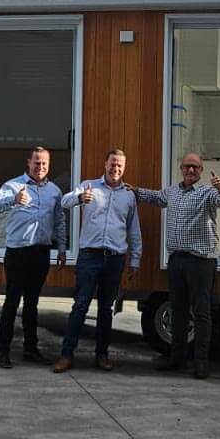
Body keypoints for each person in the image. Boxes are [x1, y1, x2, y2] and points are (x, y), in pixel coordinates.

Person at [130, 153, 220, 379]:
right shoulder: (172, 192)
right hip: (176, 260)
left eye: (195, 167)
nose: (191, 170)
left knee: (202, 313)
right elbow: (156, 197)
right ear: (181, 169)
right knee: (178, 311)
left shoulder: (208, 193)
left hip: (201, 261)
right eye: (187, 166)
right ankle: (177, 360)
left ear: (201, 171)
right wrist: (134, 191)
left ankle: (201, 363)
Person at [55, 149, 141, 372]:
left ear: (124, 168)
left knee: (106, 309)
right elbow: (64, 202)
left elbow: (133, 229)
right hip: (89, 257)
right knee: (80, 306)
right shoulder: (88, 185)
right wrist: (79, 198)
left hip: (115, 260)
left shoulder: (128, 195)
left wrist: (135, 259)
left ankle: (102, 355)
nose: (116, 169)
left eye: (120, 165)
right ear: (105, 164)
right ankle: (66, 355)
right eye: (112, 164)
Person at [0, 146, 67, 370]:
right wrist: (14, 199)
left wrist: (62, 249)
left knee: (32, 303)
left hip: (41, 252)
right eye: (36, 162)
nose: (40, 166)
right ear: (28, 162)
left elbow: (60, 222)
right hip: (17, 252)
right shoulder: (13, 185)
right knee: (12, 302)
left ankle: (30, 350)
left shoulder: (54, 191)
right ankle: (3, 352)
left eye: (44, 163)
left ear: (49, 165)